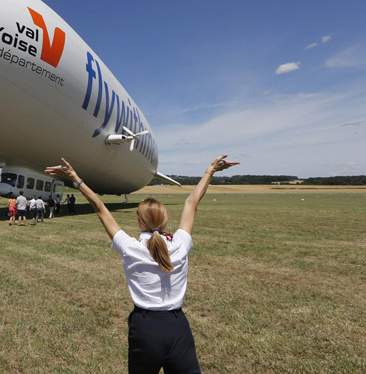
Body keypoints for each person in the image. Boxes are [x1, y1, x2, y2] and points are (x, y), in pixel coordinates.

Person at [45, 155, 238, 374]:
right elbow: (192, 202)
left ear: (139, 221)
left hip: (144, 327)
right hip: (177, 326)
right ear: (165, 221)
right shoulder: (180, 245)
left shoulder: (130, 248)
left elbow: (100, 207)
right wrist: (210, 170)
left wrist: (75, 178)